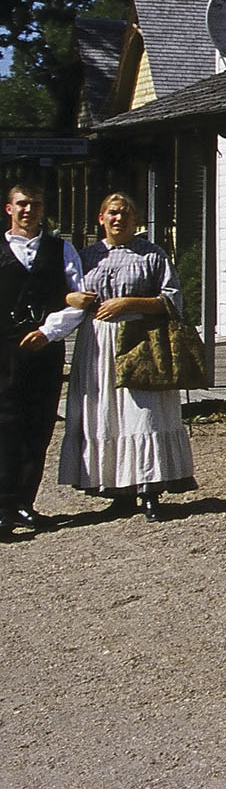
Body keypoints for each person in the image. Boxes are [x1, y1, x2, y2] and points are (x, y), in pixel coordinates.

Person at [57, 193, 196, 522]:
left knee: (143, 413)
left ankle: (149, 488)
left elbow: (172, 299)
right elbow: (64, 293)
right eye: (112, 214)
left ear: (135, 220)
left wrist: (129, 303)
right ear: (101, 218)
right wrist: (75, 297)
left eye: (125, 214)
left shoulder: (151, 254)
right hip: (97, 344)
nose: (119, 219)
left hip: (140, 340)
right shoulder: (86, 256)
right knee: (105, 413)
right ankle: (117, 489)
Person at [0, 182, 86, 537]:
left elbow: (79, 299)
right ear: (9, 208)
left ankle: (24, 502)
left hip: (45, 347)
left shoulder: (61, 249)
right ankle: (2, 506)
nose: (28, 210)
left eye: (34, 204)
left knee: (39, 422)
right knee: (5, 424)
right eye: (21, 204)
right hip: (3, 348)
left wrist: (49, 332)